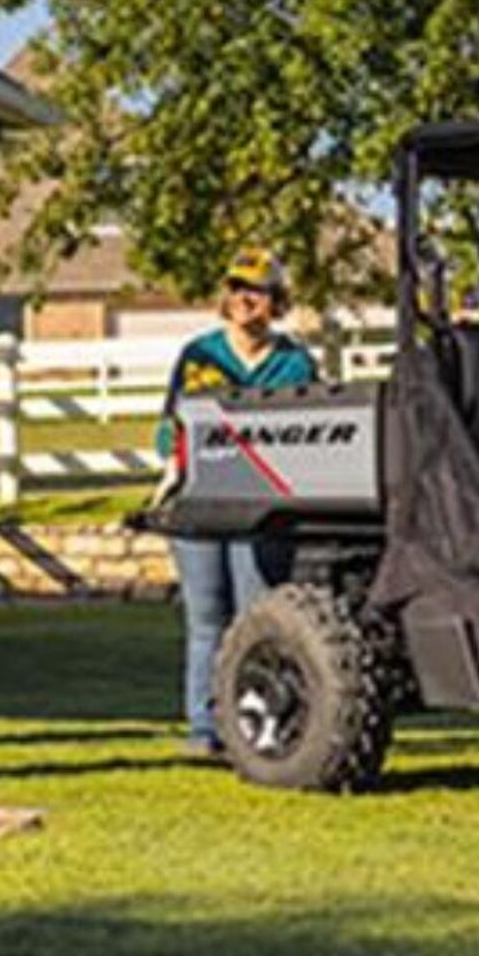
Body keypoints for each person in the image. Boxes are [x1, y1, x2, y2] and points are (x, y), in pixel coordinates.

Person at [156, 248, 318, 755]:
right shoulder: (199, 356)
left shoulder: (295, 362)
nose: (246, 300)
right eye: (237, 288)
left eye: (258, 291)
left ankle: (254, 727)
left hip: (262, 508)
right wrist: (171, 466)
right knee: (206, 619)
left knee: (256, 618)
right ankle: (205, 730)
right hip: (200, 501)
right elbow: (170, 428)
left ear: (277, 300)